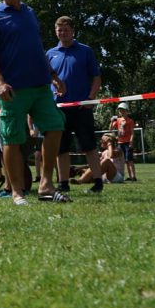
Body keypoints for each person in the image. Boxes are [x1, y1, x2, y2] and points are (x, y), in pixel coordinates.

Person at [0, 0, 67, 206]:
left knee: (55, 126)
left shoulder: (30, 13)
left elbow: (37, 48)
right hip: (13, 89)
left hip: (40, 86)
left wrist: (53, 75)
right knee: (12, 139)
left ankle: (46, 185)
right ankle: (17, 192)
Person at [47, 15, 104, 195]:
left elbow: (96, 77)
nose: (63, 33)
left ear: (73, 31)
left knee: (89, 146)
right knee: (61, 148)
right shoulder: (50, 54)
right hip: (59, 109)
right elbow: (46, 78)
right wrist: (54, 85)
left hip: (81, 108)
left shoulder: (85, 51)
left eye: (66, 30)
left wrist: (90, 99)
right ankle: (63, 183)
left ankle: (98, 182)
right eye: (59, 30)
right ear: (55, 32)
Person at [110, 102, 138, 181]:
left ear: (127, 111)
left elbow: (132, 133)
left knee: (129, 160)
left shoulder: (130, 121)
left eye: (123, 110)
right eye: (120, 110)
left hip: (127, 143)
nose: (121, 112)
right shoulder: (118, 120)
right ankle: (129, 176)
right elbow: (111, 129)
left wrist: (131, 142)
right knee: (123, 161)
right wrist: (111, 121)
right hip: (120, 143)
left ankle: (133, 177)